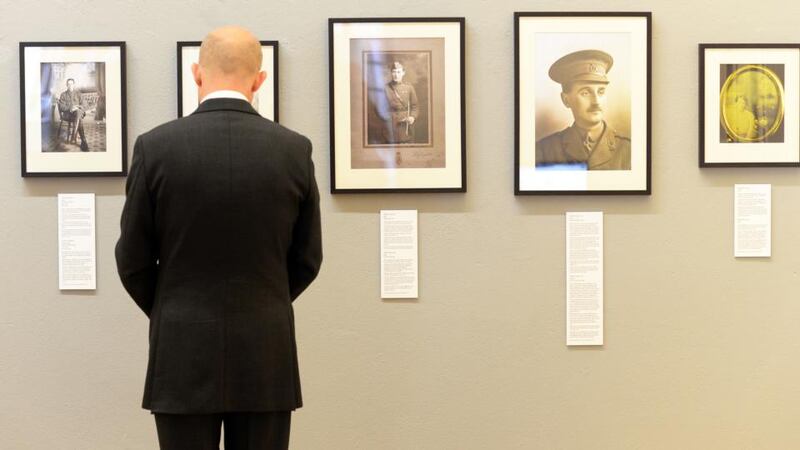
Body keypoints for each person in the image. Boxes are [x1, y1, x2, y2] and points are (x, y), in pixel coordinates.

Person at [115, 26, 322, 450]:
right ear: (259, 80)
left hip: (180, 349)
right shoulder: (293, 149)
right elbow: (307, 259)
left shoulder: (155, 148)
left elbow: (133, 261)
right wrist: (266, 298)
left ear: (196, 73)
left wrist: (171, 306)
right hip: (265, 348)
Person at [535, 49, 630, 170]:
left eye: (601, 92)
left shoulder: (629, 150)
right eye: (585, 93)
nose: (596, 102)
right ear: (566, 100)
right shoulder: (544, 150)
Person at [376, 61, 419, 144]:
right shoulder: (385, 88)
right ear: (391, 73)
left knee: (407, 150)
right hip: (390, 126)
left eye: (398, 72)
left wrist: (412, 117)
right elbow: (379, 108)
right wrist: (388, 118)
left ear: (403, 73)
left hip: (405, 125)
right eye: (394, 72)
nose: (396, 74)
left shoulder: (409, 87)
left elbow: (415, 106)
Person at [57, 78, 90, 151]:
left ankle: (74, 136)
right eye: (68, 84)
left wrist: (78, 107)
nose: (70, 85)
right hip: (68, 115)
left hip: (77, 114)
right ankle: (83, 141)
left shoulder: (78, 93)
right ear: (66, 85)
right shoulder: (63, 94)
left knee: (78, 112)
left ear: (74, 85)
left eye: (71, 84)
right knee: (79, 118)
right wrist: (70, 108)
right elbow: (62, 107)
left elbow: (85, 104)